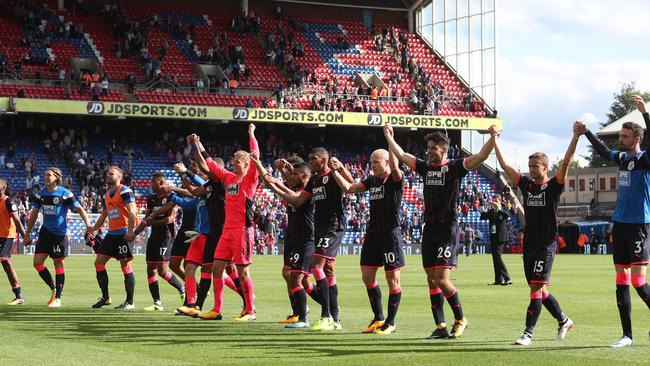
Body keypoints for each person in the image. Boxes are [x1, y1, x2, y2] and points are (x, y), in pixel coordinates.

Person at [384, 123, 498, 339]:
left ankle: (461, 318)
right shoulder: (426, 168)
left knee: (442, 279)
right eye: (428, 147)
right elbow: (400, 154)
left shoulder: (455, 167)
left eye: (432, 148)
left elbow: (482, 156)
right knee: (431, 279)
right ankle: (440, 326)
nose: (428, 151)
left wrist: (493, 137)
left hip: (447, 229)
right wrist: (389, 136)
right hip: (430, 229)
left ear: (443, 149)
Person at [495, 122, 579, 346]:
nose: (530, 170)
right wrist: (495, 138)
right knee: (540, 290)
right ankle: (564, 320)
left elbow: (568, 161)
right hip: (529, 244)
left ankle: (527, 333)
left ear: (545, 167)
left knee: (535, 288)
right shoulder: (526, 185)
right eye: (529, 166)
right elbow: (504, 164)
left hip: (546, 245)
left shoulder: (554, 186)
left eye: (534, 166)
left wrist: (576, 136)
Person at [579, 95, 650, 348]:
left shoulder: (645, 160)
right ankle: (627, 335)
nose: (621, 140)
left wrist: (644, 115)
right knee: (621, 279)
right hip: (619, 224)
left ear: (637, 139)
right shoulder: (621, 159)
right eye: (620, 136)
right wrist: (586, 133)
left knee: (639, 282)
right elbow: (602, 149)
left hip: (639, 224)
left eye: (625, 137)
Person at [265, 147, 353, 331]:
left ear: (324, 160)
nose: (311, 161)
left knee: (317, 267)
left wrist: (341, 169)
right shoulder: (314, 181)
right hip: (319, 229)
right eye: (310, 159)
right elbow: (297, 199)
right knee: (328, 269)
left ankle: (327, 315)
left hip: (333, 227)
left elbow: (350, 185)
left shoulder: (333, 174)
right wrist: (276, 181)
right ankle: (334, 317)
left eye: (314, 159)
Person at [330, 148, 405, 335]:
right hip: (373, 234)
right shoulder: (372, 180)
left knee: (392, 279)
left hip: (390, 234)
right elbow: (348, 188)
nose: (372, 165)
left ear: (387, 162)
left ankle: (391, 321)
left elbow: (396, 167)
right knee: (367, 276)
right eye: (371, 162)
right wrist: (334, 171)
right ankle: (378, 317)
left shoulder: (395, 178)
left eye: (376, 162)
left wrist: (390, 139)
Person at [193, 124, 259, 321]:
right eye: (234, 161)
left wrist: (251, 135)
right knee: (216, 268)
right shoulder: (229, 178)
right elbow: (212, 164)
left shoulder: (251, 180)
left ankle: (250, 311)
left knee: (242, 271)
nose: (234, 164)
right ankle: (217, 309)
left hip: (242, 231)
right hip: (227, 231)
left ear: (247, 165)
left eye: (238, 162)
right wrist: (199, 145)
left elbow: (255, 154)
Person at [250, 154, 316, 329]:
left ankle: (324, 309)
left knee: (299, 279)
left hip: (305, 238)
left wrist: (271, 177)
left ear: (303, 173)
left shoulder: (307, 189)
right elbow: (283, 183)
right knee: (289, 274)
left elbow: (291, 194)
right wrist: (264, 166)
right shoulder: (296, 184)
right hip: (293, 237)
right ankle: (299, 312)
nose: (290, 175)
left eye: (293, 172)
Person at [25, 167, 92, 307]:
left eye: (48, 175)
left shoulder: (65, 194)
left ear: (56, 177)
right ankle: (54, 288)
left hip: (59, 234)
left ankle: (58, 298)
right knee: (37, 263)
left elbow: (79, 209)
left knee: (58, 263)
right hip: (45, 233)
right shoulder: (40, 194)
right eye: (45, 175)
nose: (46, 177)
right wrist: (27, 233)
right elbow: (34, 214)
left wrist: (88, 226)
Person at [133, 172, 185, 311]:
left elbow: (170, 219)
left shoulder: (171, 198)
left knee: (162, 271)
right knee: (150, 268)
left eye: (153, 182)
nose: (151, 185)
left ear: (161, 183)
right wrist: (134, 234)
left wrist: (152, 223)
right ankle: (157, 303)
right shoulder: (151, 199)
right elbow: (147, 218)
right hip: (154, 237)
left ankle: (182, 289)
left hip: (166, 237)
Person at [89, 166, 138, 310]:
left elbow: (132, 211)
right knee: (98, 262)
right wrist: (93, 229)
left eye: (111, 173)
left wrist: (130, 231)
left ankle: (129, 302)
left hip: (123, 233)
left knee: (125, 266)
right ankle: (105, 298)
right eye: (107, 173)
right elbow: (104, 215)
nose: (108, 175)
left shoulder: (125, 191)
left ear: (119, 177)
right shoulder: (107, 195)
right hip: (111, 233)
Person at [0, 179, 29, 305]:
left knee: (5, 260)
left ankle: (19, 295)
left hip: (7, 236)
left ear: (4, 188)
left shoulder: (8, 201)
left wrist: (25, 236)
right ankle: (18, 295)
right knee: (6, 264)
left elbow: (17, 221)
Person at [480, 195, 512, 285]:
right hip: (493, 236)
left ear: (500, 201)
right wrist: (485, 209)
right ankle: (498, 279)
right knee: (495, 258)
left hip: (501, 237)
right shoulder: (491, 211)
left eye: (496, 201)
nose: (494, 203)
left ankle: (507, 278)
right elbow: (482, 217)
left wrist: (499, 208)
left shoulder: (503, 209)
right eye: (493, 201)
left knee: (497, 257)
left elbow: (507, 216)